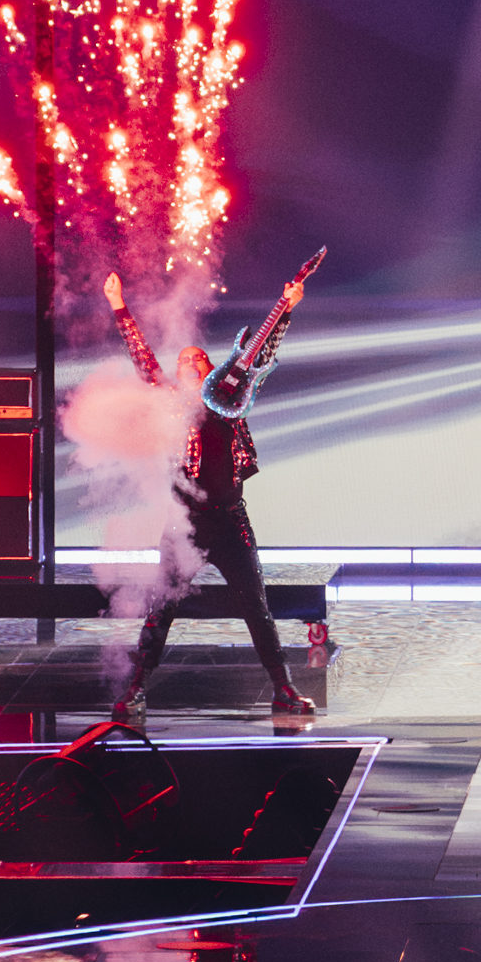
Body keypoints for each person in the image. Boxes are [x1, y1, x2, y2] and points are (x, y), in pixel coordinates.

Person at [105, 256, 319, 724]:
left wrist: (287, 305)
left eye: (198, 358)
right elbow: (142, 358)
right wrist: (119, 305)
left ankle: (282, 688)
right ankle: (135, 689)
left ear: (209, 367)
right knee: (162, 607)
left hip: (231, 517)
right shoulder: (168, 404)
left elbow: (258, 353)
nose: (189, 362)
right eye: (182, 360)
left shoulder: (228, 398)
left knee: (256, 606)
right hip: (186, 522)